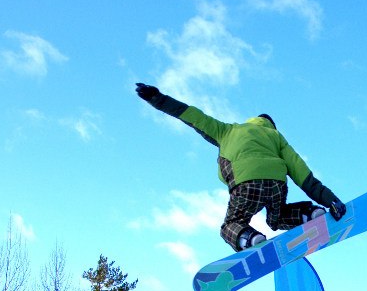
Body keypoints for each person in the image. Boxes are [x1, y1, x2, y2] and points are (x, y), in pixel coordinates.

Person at [136, 83, 346, 251]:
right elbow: (303, 175)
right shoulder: (275, 136)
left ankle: (249, 238)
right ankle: (310, 215)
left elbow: (194, 116)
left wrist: (158, 99)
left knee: (231, 224)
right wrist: (331, 200)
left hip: (246, 186)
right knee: (278, 217)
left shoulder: (228, 130)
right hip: (276, 186)